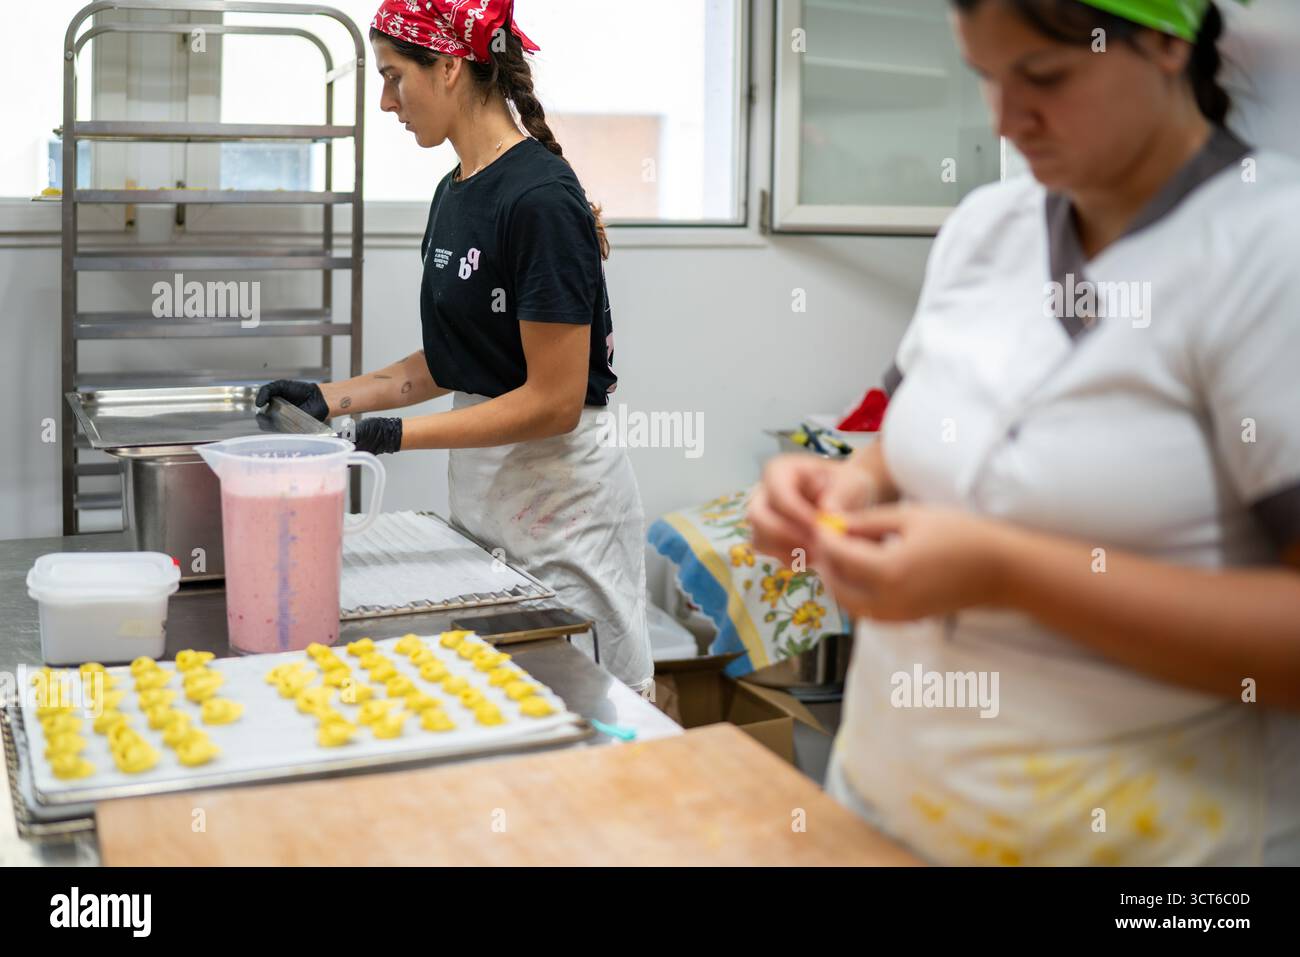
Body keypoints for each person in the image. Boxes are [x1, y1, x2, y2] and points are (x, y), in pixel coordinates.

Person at [750, 0, 1299, 864]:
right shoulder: (986, 228)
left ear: (1165, 39)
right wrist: (848, 484)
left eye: (1045, 77)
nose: (1005, 119)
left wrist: (1010, 573)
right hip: (887, 814)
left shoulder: (1269, 253)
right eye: (984, 77)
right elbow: (913, 435)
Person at [259, 0, 652, 695]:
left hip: (562, 512)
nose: (385, 103)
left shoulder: (539, 200)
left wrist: (391, 436)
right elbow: (450, 360)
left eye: (392, 78)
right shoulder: (455, 192)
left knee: (586, 714)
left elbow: (555, 402)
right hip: (490, 502)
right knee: (503, 705)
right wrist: (331, 397)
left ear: (446, 67)